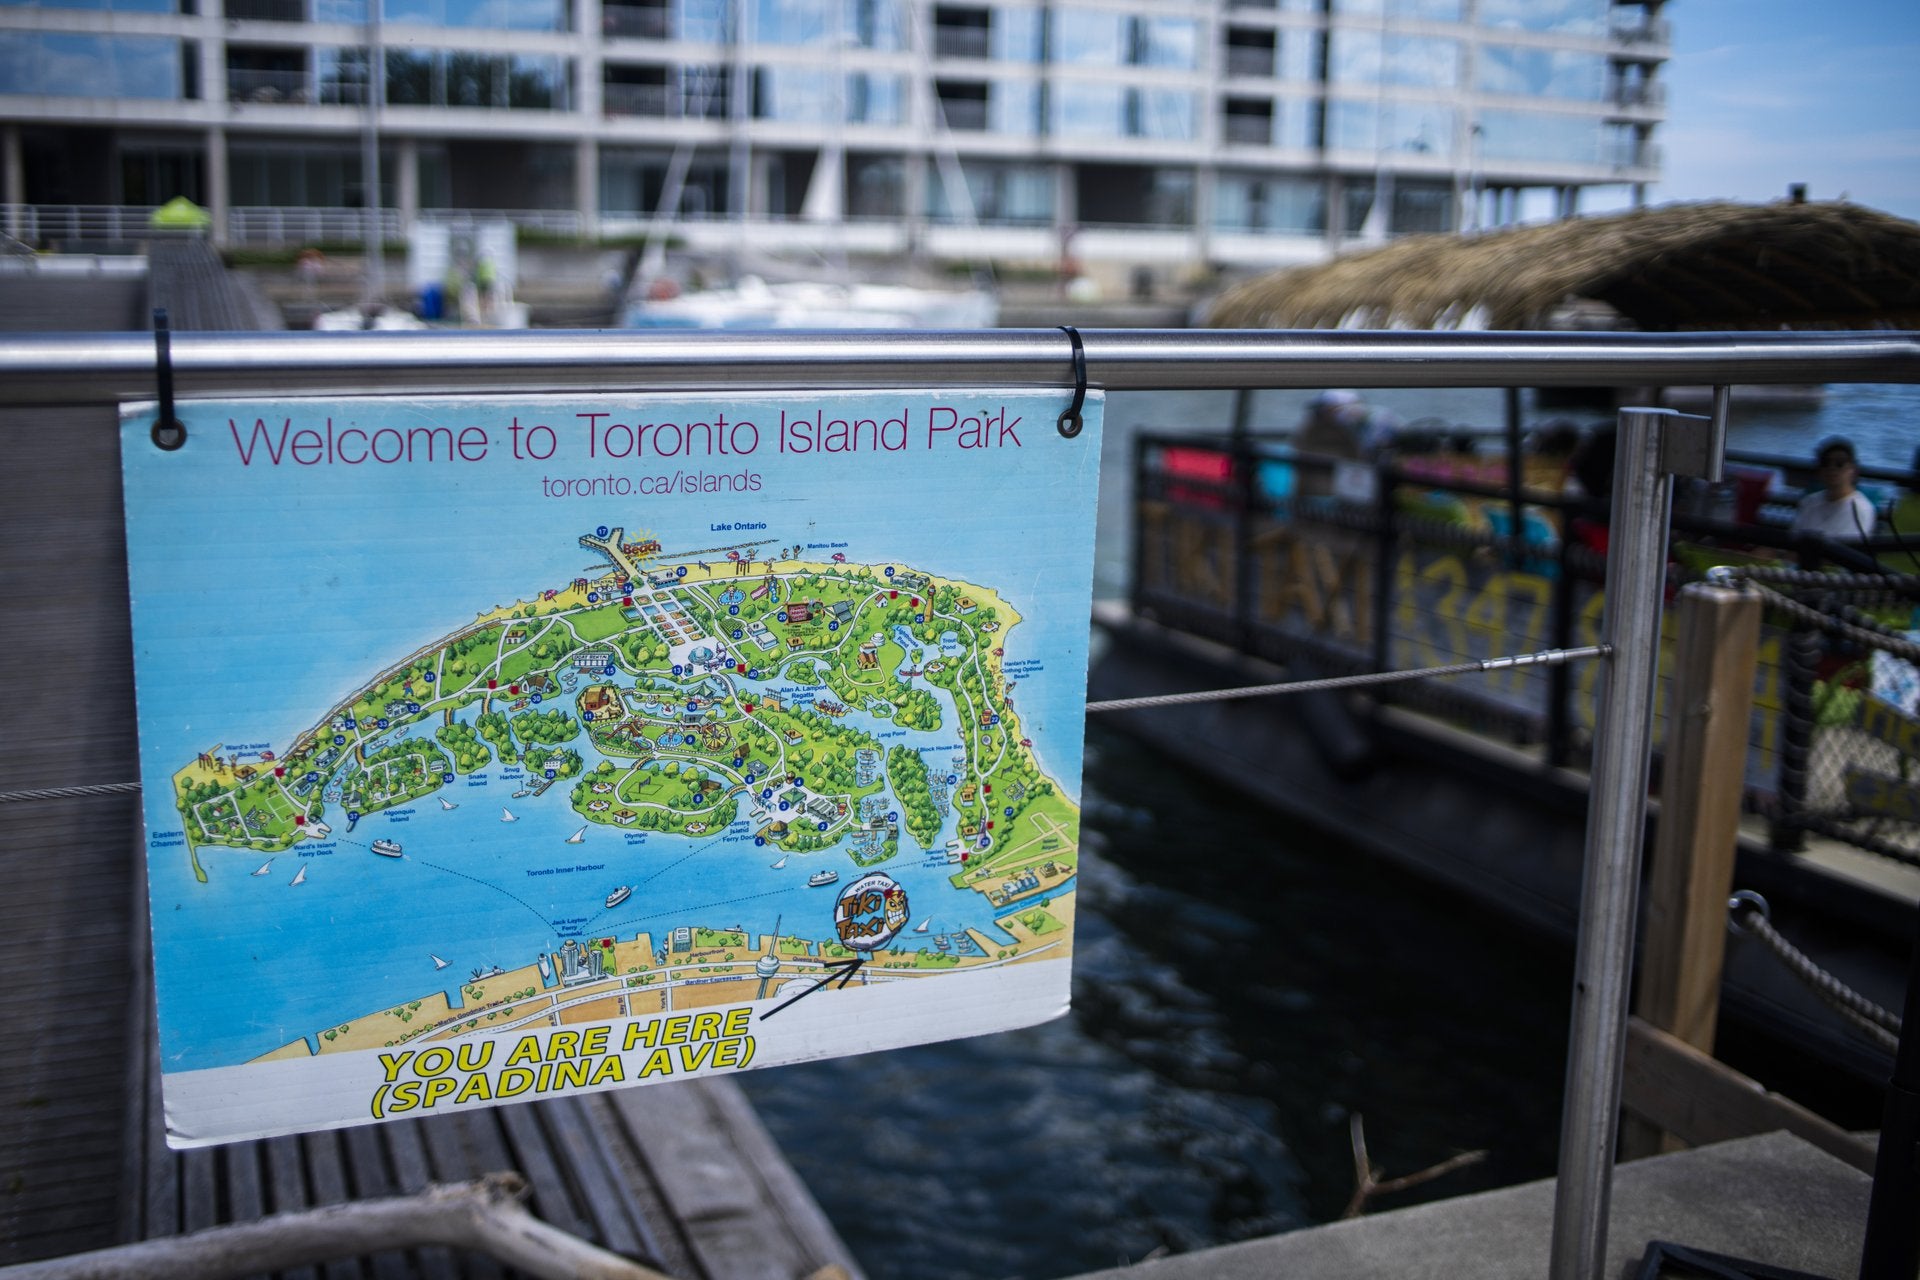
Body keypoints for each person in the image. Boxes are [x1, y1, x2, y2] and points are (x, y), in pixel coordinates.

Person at [1792, 437, 1877, 540]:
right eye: (1825, 463)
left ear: (1853, 470)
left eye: (1840, 464)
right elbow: (1794, 539)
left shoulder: (1861, 509)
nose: (1832, 468)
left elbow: (1847, 551)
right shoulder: (1809, 502)